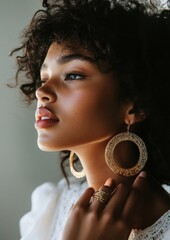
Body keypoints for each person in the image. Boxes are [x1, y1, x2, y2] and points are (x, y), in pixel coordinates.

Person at [11, 0, 170, 239]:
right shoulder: (49, 208)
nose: (41, 91)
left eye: (73, 74)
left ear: (136, 104)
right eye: (44, 77)